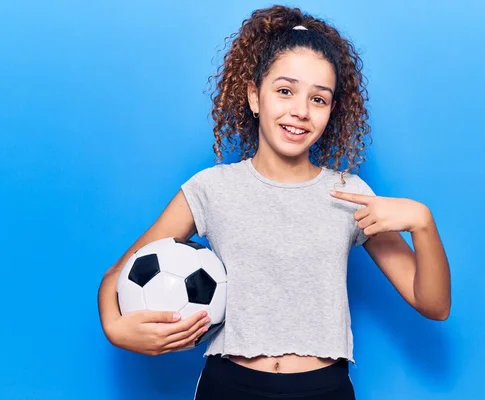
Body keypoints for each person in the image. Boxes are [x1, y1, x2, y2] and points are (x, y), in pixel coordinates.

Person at [97, 5, 451, 399]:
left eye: (319, 99)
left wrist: (423, 222)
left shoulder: (351, 195)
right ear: (254, 95)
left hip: (322, 388)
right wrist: (115, 328)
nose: (300, 111)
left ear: (331, 110)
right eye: (285, 91)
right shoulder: (211, 188)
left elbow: (433, 304)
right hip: (229, 386)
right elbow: (117, 275)